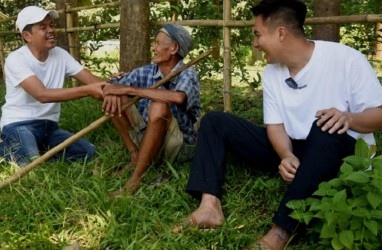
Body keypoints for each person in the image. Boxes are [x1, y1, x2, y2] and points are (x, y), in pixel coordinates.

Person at [175, 0, 382, 249]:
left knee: (324, 126)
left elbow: (378, 116)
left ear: (281, 33)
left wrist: (349, 118)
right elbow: (275, 126)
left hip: (341, 152)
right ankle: (209, 206)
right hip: (296, 150)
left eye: (257, 34)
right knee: (215, 121)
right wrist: (285, 155)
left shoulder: (346, 59)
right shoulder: (272, 72)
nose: (254, 43)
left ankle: (281, 231)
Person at [0, 6, 107, 167]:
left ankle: (28, 150)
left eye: (51, 25)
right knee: (31, 165)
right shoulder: (16, 59)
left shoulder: (60, 54)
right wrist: (86, 91)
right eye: (43, 27)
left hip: (49, 127)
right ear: (27, 36)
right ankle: (10, 148)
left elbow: (91, 79)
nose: (51, 30)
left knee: (88, 152)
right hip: (19, 125)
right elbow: (42, 95)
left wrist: (112, 85)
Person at [102, 24, 200, 197]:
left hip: (174, 146)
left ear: (173, 48)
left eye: (158, 43)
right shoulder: (147, 71)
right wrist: (112, 86)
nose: (153, 48)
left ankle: (134, 181)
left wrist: (131, 90)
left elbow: (178, 98)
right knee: (115, 97)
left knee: (159, 105)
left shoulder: (188, 73)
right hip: (147, 135)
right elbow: (114, 86)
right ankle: (135, 156)